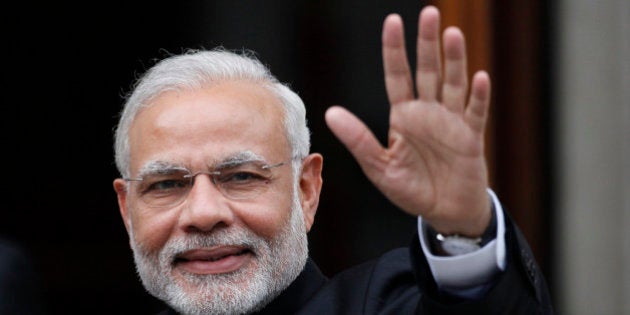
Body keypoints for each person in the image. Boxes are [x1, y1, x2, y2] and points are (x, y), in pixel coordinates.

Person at [112, 5, 553, 315]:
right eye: (167, 184)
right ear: (128, 209)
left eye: (240, 176)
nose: (204, 214)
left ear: (306, 191)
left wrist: (462, 228)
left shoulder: (387, 303)